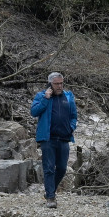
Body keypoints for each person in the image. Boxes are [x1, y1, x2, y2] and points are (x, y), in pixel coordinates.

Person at [30, 72, 78, 208]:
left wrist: (71, 127)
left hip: (64, 138)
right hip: (48, 138)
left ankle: (50, 190)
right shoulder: (42, 96)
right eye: (56, 83)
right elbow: (34, 112)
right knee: (49, 168)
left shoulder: (68, 97)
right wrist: (46, 98)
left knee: (62, 168)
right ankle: (51, 197)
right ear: (50, 83)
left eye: (61, 83)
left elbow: (74, 115)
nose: (59, 86)